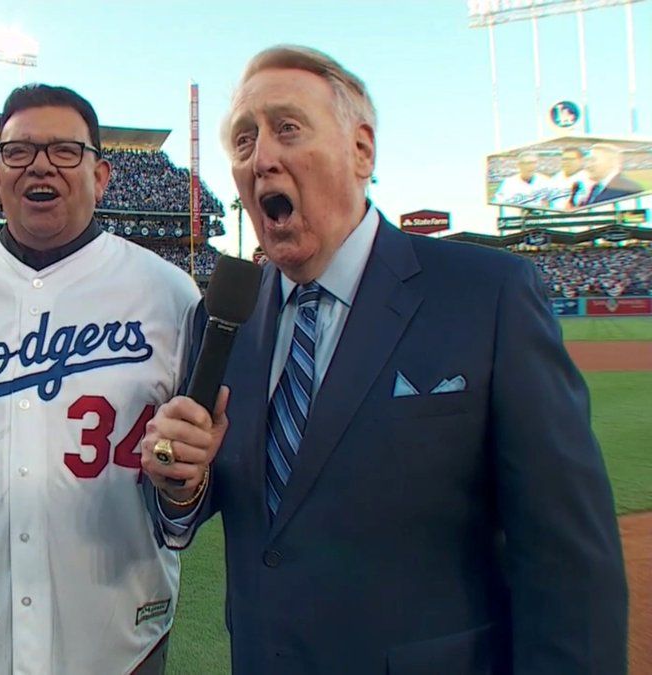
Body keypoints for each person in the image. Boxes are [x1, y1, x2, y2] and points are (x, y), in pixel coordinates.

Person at [139, 45, 628, 674]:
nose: (261, 157)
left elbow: (568, 562)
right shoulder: (224, 318)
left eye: (287, 128)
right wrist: (181, 480)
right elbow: (196, 503)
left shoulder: (489, 295)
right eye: (242, 140)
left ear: (361, 150)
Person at [0, 84, 200, 674]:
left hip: (123, 632)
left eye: (66, 150)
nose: (40, 164)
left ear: (102, 175)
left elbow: (199, 457)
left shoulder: (168, 292)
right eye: (20, 152)